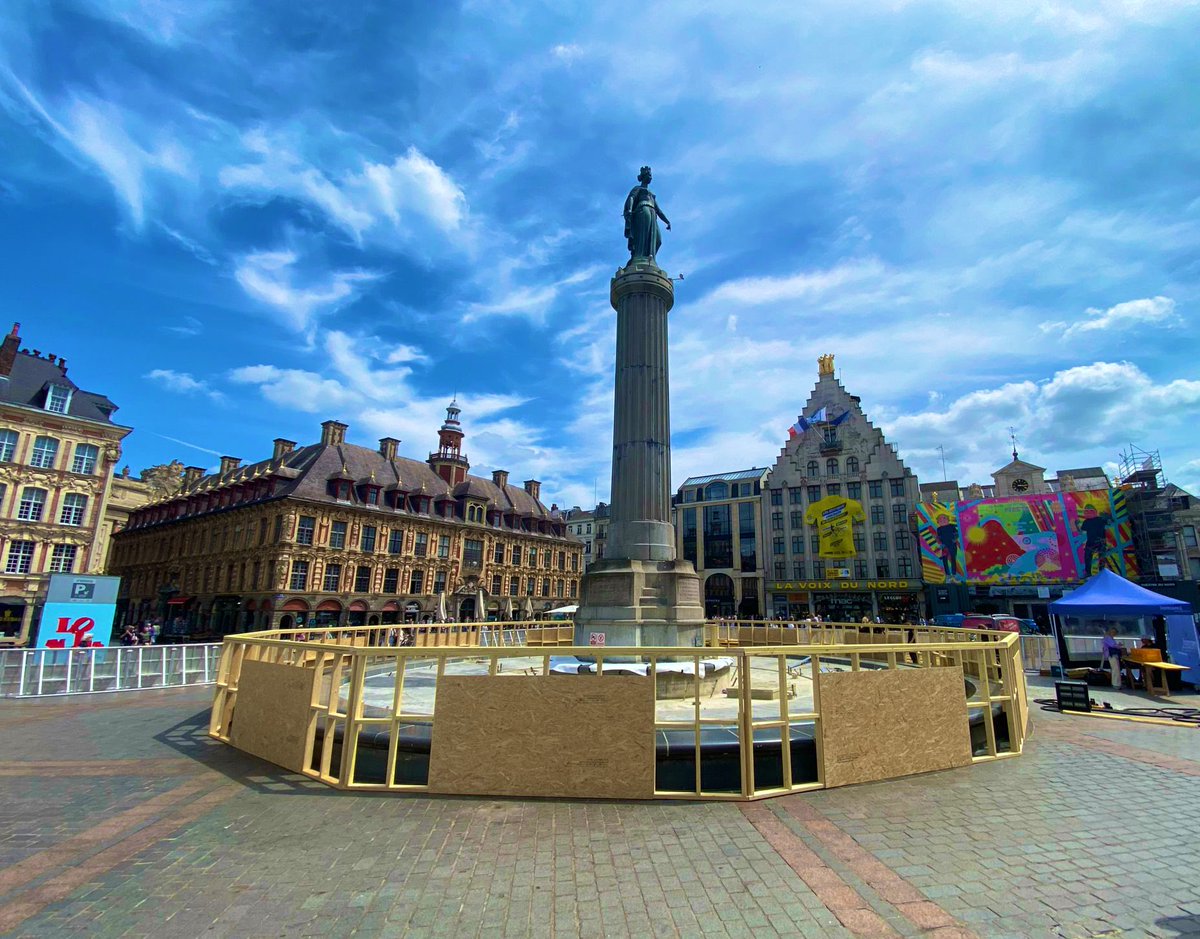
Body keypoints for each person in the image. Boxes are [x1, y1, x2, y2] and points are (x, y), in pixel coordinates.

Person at [623, 166, 671, 261]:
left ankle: (650, 259)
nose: (650, 177)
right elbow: (631, 198)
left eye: (651, 175)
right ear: (643, 176)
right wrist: (629, 209)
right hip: (643, 210)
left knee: (658, 240)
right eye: (648, 175)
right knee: (642, 236)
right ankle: (638, 257)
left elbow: (659, 210)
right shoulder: (638, 188)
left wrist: (667, 221)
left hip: (653, 213)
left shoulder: (651, 194)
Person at [1075, 504, 1112, 576]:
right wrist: (1076, 525)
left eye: (1090, 510)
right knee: (1088, 557)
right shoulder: (1086, 522)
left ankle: (1101, 572)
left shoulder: (1100, 519)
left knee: (1101, 557)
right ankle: (1088, 573)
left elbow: (1110, 522)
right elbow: (1081, 532)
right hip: (1091, 542)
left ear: (1094, 511)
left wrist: (1107, 516)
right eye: (1086, 511)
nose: (1088, 512)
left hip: (1100, 541)